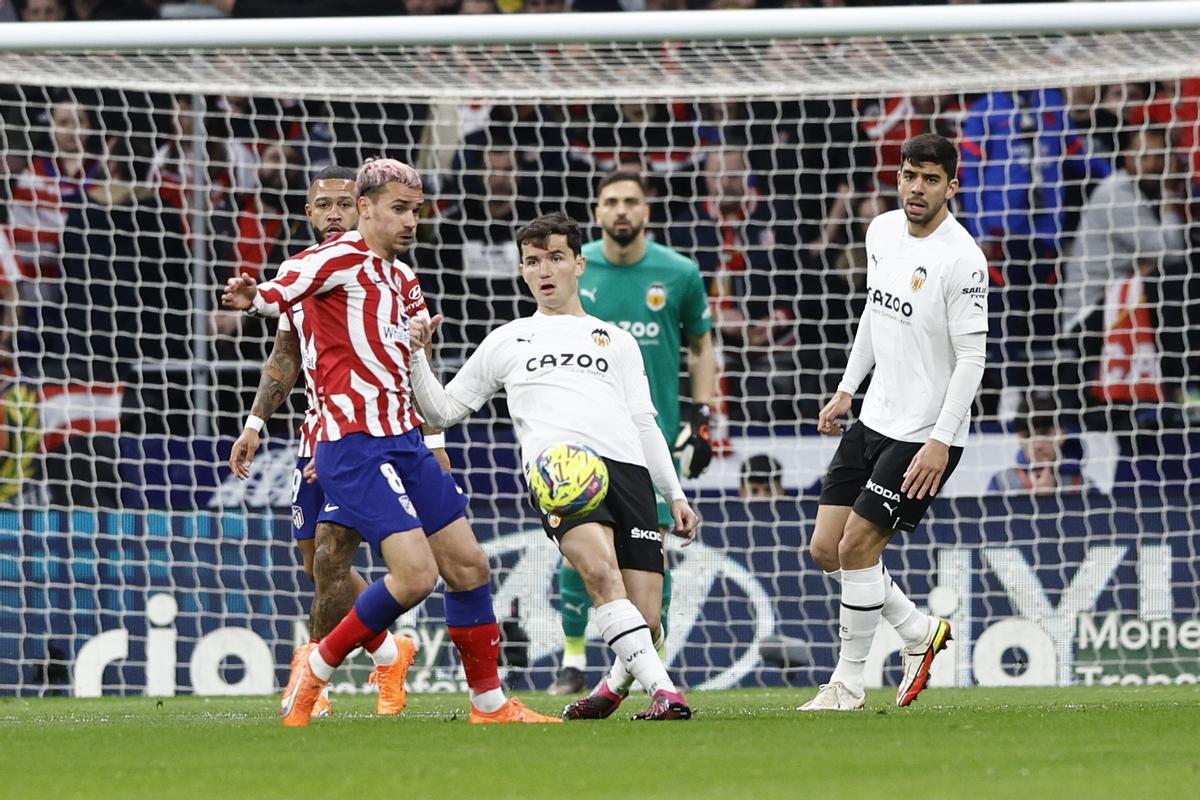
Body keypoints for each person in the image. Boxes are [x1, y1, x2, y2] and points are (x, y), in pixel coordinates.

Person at [222, 158, 559, 727]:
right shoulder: (330, 259)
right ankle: (321, 666)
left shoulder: (403, 280)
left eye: (416, 211)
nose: (410, 222)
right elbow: (281, 293)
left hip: (404, 438)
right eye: (399, 210)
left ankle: (490, 705)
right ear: (365, 207)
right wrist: (253, 297)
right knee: (409, 575)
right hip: (352, 444)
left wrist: (432, 430)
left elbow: (416, 361)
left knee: (472, 567)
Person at [407, 212, 701, 721]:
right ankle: (668, 693)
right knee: (600, 573)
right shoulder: (508, 339)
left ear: (579, 265)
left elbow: (646, 423)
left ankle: (610, 690)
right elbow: (443, 411)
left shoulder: (616, 340)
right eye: (533, 261)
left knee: (647, 622)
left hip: (629, 473)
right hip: (562, 474)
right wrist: (417, 357)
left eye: (556, 258)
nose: (545, 270)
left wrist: (673, 492)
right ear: (522, 271)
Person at [804, 133, 988, 711]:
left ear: (951, 186)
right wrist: (846, 389)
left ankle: (848, 684)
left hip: (925, 433)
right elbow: (875, 314)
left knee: (858, 547)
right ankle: (917, 631)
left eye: (931, 178)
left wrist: (939, 440)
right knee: (825, 549)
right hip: (876, 414)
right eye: (910, 175)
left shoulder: (962, 259)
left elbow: (973, 359)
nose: (916, 187)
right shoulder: (880, 231)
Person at [227, 165, 416, 720]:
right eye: (323, 205)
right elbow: (285, 357)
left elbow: (411, 362)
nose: (334, 213)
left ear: (360, 208)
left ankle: (313, 678)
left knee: (334, 555)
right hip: (318, 433)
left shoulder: (388, 274)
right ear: (309, 215)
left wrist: (431, 436)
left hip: (367, 434)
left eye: (343, 203)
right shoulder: (305, 277)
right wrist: (255, 424)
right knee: (318, 568)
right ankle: (388, 649)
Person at [546, 169, 716, 697]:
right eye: (611, 202)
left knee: (651, 555)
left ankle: (649, 667)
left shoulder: (680, 273)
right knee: (581, 553)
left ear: (646, 210)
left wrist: (702, 415)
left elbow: (701, 345)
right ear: (597, 213)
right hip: (583, 438)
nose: (621, 211)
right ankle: (573, 659)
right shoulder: (575, 269)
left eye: (630, 202)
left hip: (651, 439)